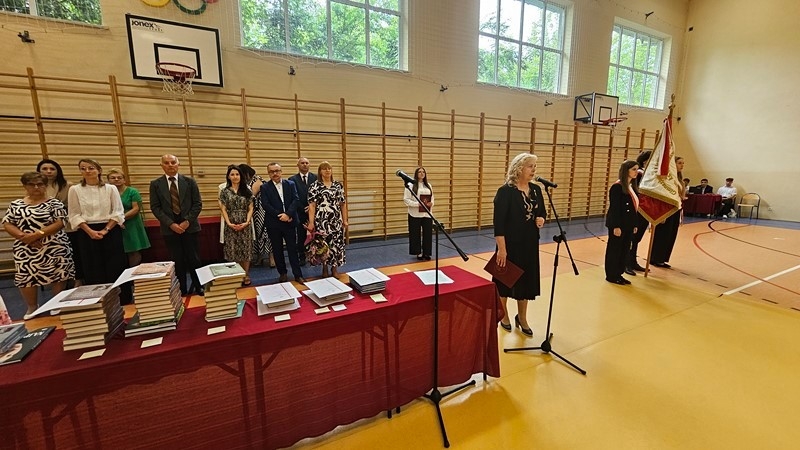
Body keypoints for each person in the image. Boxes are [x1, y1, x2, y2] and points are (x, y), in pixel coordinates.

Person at [2, 172, 75, 319]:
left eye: (40, 184)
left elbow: (60, 222)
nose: (36, 187)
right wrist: (24, 237)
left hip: (53, 245)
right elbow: (7, 223)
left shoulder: (54, 203)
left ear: (45, 186)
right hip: (25, 247)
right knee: (25, 277)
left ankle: (56, 303)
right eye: (32, 184)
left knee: (58, 273)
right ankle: (32, 307)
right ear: (25, 186)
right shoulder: (16, 204)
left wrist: (37, 235)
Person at [493, 153, 546, 337]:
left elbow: (542, 212)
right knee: (504, 282)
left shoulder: (536, 190)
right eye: (530, 166)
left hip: (529, 244)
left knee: (526, 283)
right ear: (519, 168)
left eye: (534, 166)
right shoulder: (505, 192)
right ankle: (504, 315)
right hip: (509, 245)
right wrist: (502, 250)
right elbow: (499, 224)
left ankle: (522, 318)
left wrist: (541, 219)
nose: (533, 170)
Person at [149, 154, 204, 296]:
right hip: (170, 229)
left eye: (173, 162)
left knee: (194, 259)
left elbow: (197, 204)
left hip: (189, 227)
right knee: (177, 260)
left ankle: (199, 286)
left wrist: (187, 221)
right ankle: (181, 288)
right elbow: (155, 207)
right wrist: (171, 224)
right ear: (162, 165)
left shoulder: (190, 182)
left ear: (178, 164)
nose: (170, 165)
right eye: (166, 163)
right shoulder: (155, 184)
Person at [37, 159, 81, 285]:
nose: (48, 172)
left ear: (58, 171)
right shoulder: (37, 187)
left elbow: (74, 205)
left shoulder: (68, 185)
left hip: (67, 225)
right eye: (45, 169)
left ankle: (78, 280)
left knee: (74, 254)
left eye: (52, 169)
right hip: (46, 227)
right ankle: (58, 280)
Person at [261, 162, 305, 283]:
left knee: (293, 249)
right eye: (272, 171)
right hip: (274, 223)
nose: (275, 173)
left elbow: (296, 199)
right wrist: (281, 216)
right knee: (277, 250)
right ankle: (283, 273)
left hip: (290, 221)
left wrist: (288, 214)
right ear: (268, 173)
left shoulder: (290, 184)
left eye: (277, 171)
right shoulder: (264, 187)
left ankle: (298, 275)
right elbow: (266, 205)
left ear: (281, 171)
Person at [307, 161, 348, 278]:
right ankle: (324, 268)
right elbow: (312, 205)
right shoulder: (315, 186)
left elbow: (343, 204)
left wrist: (345, 220)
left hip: (336, 219)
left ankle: (334, 268)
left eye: (329, 168)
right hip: (321, 220)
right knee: (323, 245)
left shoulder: (338, 185)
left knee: (336, 243)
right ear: (320, 171)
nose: (327, 170)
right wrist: (311, 222)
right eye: (324, 169)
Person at [605, 161, 640, 285]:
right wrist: (616, 226)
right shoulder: (617, 187)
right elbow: (615, 208)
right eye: (633, 169)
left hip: (628, 224)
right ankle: (611, 275)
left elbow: (634, 208)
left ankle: (619, 273)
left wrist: (634, 224)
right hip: (619, 224)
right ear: (626, 170)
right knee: (615, 250)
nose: (636, 172)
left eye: (637, 169)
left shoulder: (631, 187)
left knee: (624, 250)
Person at [107, 169, 150, 267]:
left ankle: (132, 272)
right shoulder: (107, 193)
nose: (116, 179)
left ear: (124, 180)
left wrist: (120, 219)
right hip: (112, 224)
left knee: (133, 251)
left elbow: (136, 209)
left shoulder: (132, 191)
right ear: (108, 180)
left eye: (119, 177)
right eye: (113, 178)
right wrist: (115, 221)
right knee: (117, 251)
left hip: (131, 224)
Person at [219, 165, 255, 285]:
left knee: (246, 250)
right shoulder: (225, 191)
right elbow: (223, 209)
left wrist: (247, 222)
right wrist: (229, 223)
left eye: (237, 174)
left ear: (241, 176)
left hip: (245, 223)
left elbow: (251, 208)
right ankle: (238, 275)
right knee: (234, 251)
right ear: (228, 176)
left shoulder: (247, 190)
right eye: (232, 174)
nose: (235, 177)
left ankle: (246, 274)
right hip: (230, 224)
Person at [649, 156, 686, 268]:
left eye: (683, 163)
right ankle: (655, 258)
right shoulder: (668, 179)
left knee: (671, 235)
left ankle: (662, 258)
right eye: (679, 163)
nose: (682, 165)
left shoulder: (680, 180)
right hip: (666, 210)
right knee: (663, 235)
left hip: (676, 210)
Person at [239, 164, 274, 268]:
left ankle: (271, 257)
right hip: (253, 211)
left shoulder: (257, 180)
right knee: (257, 235)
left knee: (265, 234)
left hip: (261, 210)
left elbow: (251, 195)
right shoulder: (246, 182)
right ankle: (260, 256)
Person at [289, 157, 317, 266]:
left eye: (306, 163)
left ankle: (315, 256)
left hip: (314, 211)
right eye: (302, 163)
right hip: (299, 212)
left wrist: (311, 207)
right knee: (301, 235)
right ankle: (301, 256)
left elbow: (319, 195)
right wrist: (302, 208)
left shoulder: (316, 178)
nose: (305, 165)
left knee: (316, 235)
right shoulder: (292, 179)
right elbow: (293, 197)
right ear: (298, 165)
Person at [627, 150, 651, 274]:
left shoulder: (649, 174)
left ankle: (633, 261)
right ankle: (626, 263)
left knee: (636, 239)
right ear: (645, 161)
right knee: (631, 238)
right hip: (638, 210)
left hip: (645, 211)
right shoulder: (640, 174)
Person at [403, 167, 434, 261]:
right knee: (415, 234)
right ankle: (418, 252)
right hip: (414, 214)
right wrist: (418, 204)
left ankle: (426, 252)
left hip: (427, 214)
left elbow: (432, 198)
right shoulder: (410, 185)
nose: (422, 173)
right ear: (416, 174)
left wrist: (431, 203)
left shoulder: (428, 185)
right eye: (419, 172)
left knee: (428, 234)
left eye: (423, 172)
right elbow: (406, 200)